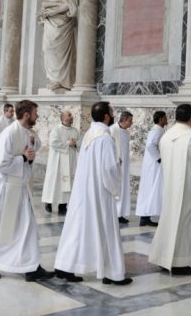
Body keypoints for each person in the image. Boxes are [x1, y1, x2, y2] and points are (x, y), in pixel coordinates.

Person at [0, 100, 54, 282]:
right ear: (26, 114)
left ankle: (31, 267)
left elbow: (28, 155)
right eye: (35, 113)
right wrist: (24, 158)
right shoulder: (9, 134)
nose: (37, 116)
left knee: (27, 228)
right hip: (7, 188)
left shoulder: (27, 133)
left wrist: (29, 157)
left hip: (21, 187)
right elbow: (2, 163)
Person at [54, 101, 132, 285]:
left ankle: (65, 266)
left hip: (84, 189)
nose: (113, 114)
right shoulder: (105, 138)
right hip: (99, 191)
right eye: (112, 111)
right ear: (106, 116)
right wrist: (117, 170)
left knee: (79, 227)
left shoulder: (90, 133)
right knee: (106, 229)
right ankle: (112, 273)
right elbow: (108, 169)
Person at [148, 104, 191, 276]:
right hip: (189, 190)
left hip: (170, 188)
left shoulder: (166, 136)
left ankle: (164, 259)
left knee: (169, 222)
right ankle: (181, 262)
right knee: (186, 226)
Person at [37, 0, 79, 91]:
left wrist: (54, 10)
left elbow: (71, 4)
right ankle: (52, 78)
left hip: (62, 26)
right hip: (50, 24)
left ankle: (61, 80)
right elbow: (44, 4)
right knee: (47, 49)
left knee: (60, 52)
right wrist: (47, 10)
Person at [42, 110, 79, 214]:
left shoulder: (75, 131)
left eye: (71, 115)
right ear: (63, 118)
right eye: (69, 115)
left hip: (70, 160)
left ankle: (63, 205)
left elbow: (79, 142)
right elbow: (53, 143)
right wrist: (68, 143)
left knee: (67, 183)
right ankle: (48, 202)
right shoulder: (56, 130)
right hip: (57, 161)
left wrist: (75, 144)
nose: (71, 117)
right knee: (55, 182)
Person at [135, 111, 167, 227]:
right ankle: (145, 218)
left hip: (153, 164)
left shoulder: (159, 130)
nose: (166, 120)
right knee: (150, 189)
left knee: (150, 190)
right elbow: (150, 145)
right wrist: (159, 158)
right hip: (154, 165)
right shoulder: (157, 130)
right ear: (160, 119)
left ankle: (146, 217)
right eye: (165, 118)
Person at [111, 111, 133, 224]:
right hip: (116, 164)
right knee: (117, 189)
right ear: (124, 120)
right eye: (130, 120)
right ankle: (115, 213)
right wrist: (115, 158)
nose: (131, 123)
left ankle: (121, 213)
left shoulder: (126, 132)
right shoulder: (113, 130)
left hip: (124, 165)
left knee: (123, 188)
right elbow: (109, 147)